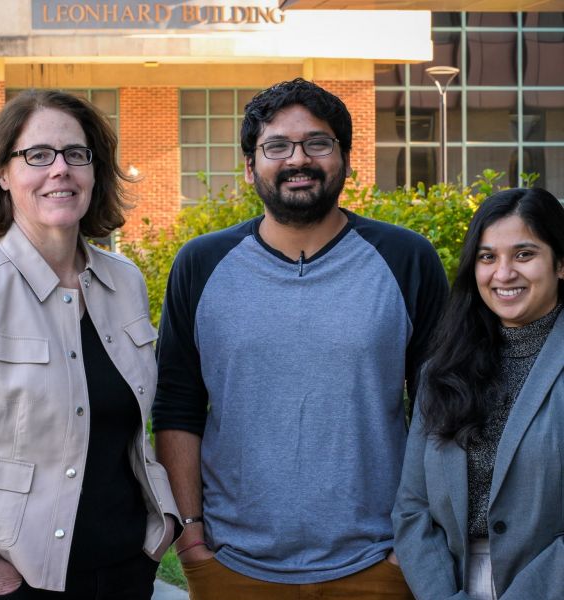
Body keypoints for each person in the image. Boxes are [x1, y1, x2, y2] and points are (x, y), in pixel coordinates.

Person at [153, 78, 447, 599]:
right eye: (277, 146)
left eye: (318, 143)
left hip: (380, 560)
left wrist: (410, 545)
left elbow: (441, 405)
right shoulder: (200, 264)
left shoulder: (406, 259)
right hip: (231, 564)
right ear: (250, 167)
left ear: (346, 159)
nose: (298, 159)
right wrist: (191, 535)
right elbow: (178, 405)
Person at [0, 89, 181, 599]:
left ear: (94, 172)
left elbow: (135, 423)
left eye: (75, 154)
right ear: (2, 174)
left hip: (128, 568)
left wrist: (165, 522)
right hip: (12, 582)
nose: (59, 169)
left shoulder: (125, 281)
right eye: (37, 155)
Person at [392, 187, 564, 600]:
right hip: (452, 586)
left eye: (524, 254)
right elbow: (413, 508)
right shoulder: (443, 369)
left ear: (560, 263)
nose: (503, 274)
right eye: (488, 257)